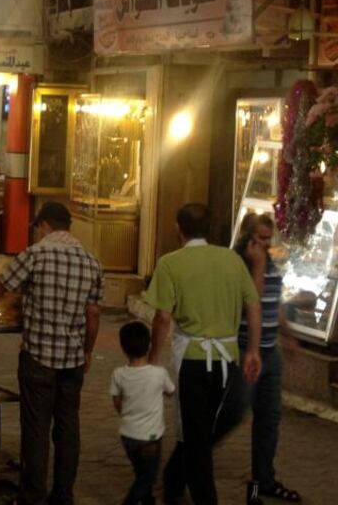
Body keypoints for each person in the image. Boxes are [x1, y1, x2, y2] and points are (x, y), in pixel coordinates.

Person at [0, 201, 102, 505]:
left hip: (38, 358)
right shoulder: (91, 261)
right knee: (68, 429)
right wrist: (87, 351)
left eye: (37, 227)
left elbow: (3, 289)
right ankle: (63, 496)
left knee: (36, 429)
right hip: (72, 360)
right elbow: (94, 314)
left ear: (44, 225)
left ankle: (32, 497)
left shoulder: (35, 255)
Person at [146, 203, 262, 505]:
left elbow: (162, 317)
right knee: (202, 429)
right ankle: (174, 481)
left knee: (196, 435)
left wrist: (152, 358)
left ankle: (202, 496)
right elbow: (253, 304)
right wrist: (252, 351)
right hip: (228, 357)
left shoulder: (171, 263)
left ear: (177, 228)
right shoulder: (231, 261)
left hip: (192, 359)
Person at [233, 213, 302, 505]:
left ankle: (264, 478)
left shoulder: (268, 262)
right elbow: (253, 301)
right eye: (259, 238)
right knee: (232, 415)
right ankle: (189, 470)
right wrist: (259, 265)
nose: (264, 245)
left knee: (269, 418)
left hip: (270, 351)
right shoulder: (241, 264)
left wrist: (287, 335)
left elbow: (275, 303)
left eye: (267, 239)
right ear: (247, 238)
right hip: (246, 351)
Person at [111, 321, 176, 505]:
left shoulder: (118, 374)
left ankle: (148, 500)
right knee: (147, 477)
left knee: (141, 471)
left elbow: (117, 401)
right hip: (150, 437)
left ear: (123, 348)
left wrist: (126, 414)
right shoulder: (158, 374)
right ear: (149, 345)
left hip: (127, 436)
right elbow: (171, 391)